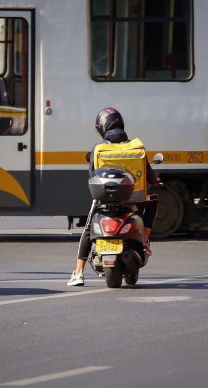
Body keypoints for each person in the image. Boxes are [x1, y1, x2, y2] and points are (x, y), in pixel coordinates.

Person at [67, 108, 158, 286]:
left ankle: (78, 272)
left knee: (88, 229)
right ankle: (145, 241)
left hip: (104, 201)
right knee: (153, 200)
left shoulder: (98, 149)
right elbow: (150, 176)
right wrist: (154, 179)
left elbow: (92, 174)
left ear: (102, 127)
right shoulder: (136, 147)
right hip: (135, 199)